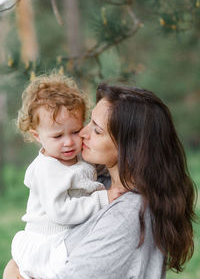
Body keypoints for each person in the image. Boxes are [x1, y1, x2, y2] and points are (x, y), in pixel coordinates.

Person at [3, 83, 196, 279]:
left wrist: (13, 271)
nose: (82, 134)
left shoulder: (126, 214)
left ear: (129, 146)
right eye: (89, 123)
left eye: (96, 130)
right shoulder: (98, 181)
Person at [10, 75, 124, 279]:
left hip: (68, 235)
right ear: (37, 136)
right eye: (57, 136)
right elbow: (61, 211)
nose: (69, 142)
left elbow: (88, 175)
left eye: (75, 131)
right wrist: (102, 199)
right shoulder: (47, 170)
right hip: (49, 241)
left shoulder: (77, 156)